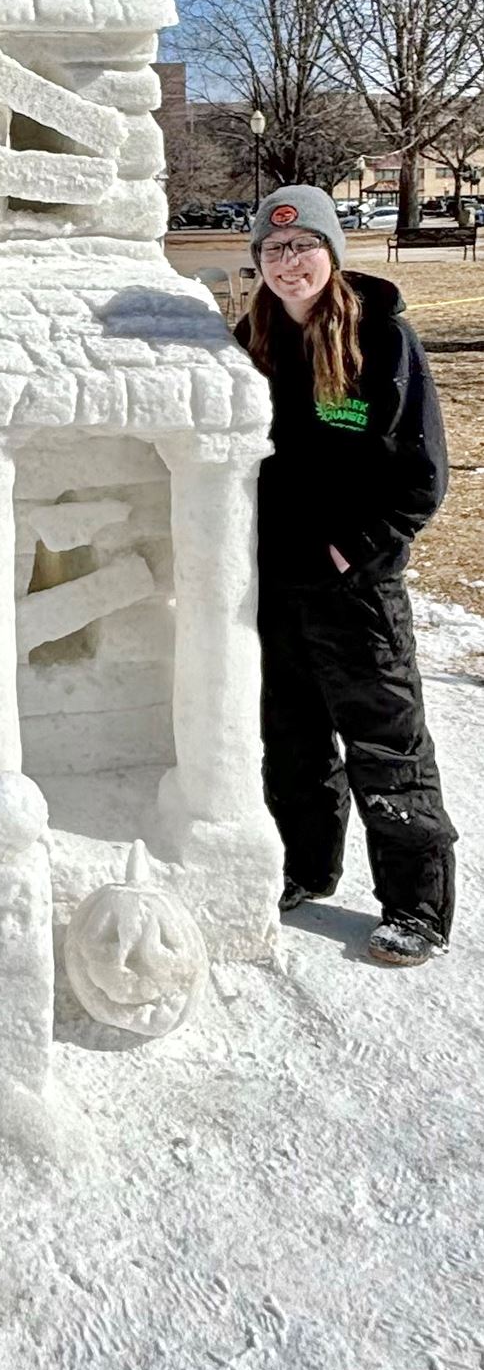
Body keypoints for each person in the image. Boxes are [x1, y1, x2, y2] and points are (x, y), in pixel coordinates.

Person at [236, 185, 454, 967]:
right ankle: (305, 867)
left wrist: (352, 549)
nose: (288, 262)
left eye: (303, 246)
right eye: (274, 249)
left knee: (386, 744)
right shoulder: (253, 338)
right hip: (275, 585)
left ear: (331, 251)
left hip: (356, 590)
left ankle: (416, 906)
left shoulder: (382, 339)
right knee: (291, 739)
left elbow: (423, 478)